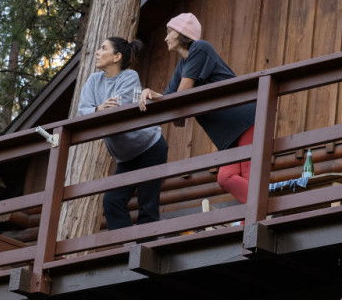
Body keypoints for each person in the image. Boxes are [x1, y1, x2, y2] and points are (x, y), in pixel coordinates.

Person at [152, 13, 256, 203]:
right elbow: (171, 105)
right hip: (228, 135)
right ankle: (258, 215)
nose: (166, 37)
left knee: (250, 177)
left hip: (245, 120)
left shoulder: (200, 48)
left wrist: (176, 106)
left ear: (182, 32)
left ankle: (259, 217)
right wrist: (149, 94)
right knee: (225, 178)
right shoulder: (182, 65)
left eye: (169, 32)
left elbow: (180, 96)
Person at [76, 36, 166, 230]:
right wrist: (98, 110)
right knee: (112, 202)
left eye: (103, 48)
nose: (97, 52)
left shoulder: (129, 76)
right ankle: (128, 251)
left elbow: (120, 107)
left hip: (150, 146)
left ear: (117, 56)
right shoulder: (93, 80)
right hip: (125, 158)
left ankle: (144, 253)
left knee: (147, 206)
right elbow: (83, 111)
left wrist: (98, 111)